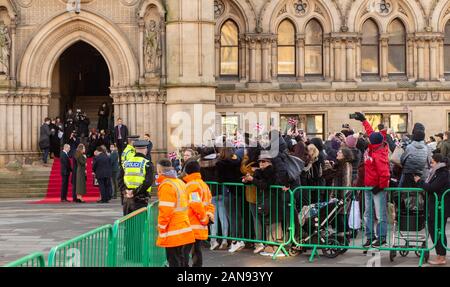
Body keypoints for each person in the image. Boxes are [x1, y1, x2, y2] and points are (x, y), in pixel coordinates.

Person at [353, 112, 390, 247]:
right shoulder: (375, 145)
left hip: (377, 188)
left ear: (373, 142)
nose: (367, 139)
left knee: (380, 215)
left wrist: (380, 187)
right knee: (367, 214)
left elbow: (385, 174)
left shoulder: (379, 153)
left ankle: (381, 237)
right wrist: (364, 120)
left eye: (369, 139)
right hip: (368, 186)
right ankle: (370, 237)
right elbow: (371, 133)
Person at [155, 158, 195, 267]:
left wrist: (161, 226)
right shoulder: (179, 182)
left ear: (159, 170)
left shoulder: (166, 185)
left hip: (173, 229)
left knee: (174, 261)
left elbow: (165, 210)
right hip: (183, 226)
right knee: (181, 259)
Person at [414, 154, 450, 265]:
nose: (431, 164)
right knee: (434, 231)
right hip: (434, 207)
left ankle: (442, 256)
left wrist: (419, 182)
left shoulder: (443, 174)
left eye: (433, 162)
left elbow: (432, 188)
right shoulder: (436, 173)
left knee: (438, 231)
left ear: (438, 163)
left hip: (439, 207)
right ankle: (439, 255)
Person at [242, 152, 278, 256]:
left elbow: (264, 185)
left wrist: (252, 179)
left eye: (264, 161)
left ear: (270, 162)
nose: (261, 163)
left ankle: (267, 245)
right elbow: (255, 181)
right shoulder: (259, 171)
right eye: (260, 161)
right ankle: (263, 244)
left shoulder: (271, 171)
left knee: (267, 222)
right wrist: (246, 180)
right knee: (260, 220)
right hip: (261, 198)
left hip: (268, 199)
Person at [182, 160, 215, 267]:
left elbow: (195, 205)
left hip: (191, 224)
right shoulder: (203, 185)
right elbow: (209, 204)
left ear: (187, 171)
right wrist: (208, 215)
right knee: (196, 251)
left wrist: (204, 219)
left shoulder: (191, 185)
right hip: (199, 225)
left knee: (184, 252)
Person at [216, 146, 244, 253]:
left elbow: (219, 179)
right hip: (238, 191)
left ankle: (235, 241)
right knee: (238, 216)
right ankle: (240, 239)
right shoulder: (238, 161)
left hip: (228, 191)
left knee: (231, 217)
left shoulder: (221, 164)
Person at [119, 140, 154, 215]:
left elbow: (120, 179)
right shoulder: (147, 163)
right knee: (139, 223)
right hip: (140, 198)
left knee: (128, 223)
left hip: (127, 197)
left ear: (135, 149)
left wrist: (126, 191)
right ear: (146, 150)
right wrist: (135, 192)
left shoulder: (126, 163)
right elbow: (148, 182)